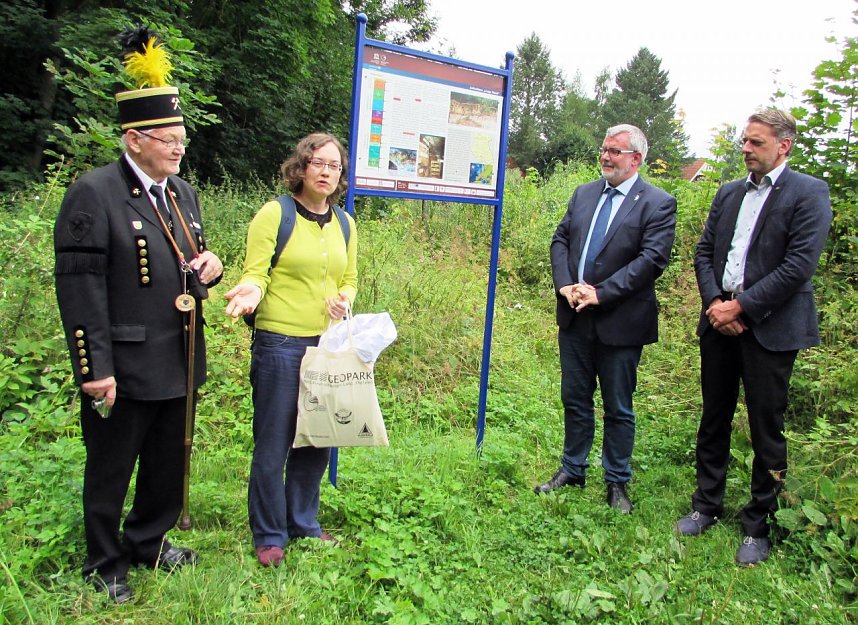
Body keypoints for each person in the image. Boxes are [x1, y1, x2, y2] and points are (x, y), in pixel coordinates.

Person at [53, 28, 223, 604]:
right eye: (167, 139)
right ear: (133, 138)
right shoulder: (94, 193)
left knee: (167, 463)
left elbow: (188, 260)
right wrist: (94, 368)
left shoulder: (182, 193)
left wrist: (210, 268)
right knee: (111, 467)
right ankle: (105, 563)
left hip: (177, 354)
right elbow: (80, 290)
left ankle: (149, 541)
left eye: (182, 139)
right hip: (123, 364)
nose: (178, 149)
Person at [675, 109, 832, 566]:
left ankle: (758, 523)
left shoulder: (808, 193)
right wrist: (715, 304)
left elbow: (798, 266)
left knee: (766, 425)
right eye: (745, 140)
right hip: (719, 321)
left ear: (784, 146)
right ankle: (706, 504)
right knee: (714, 416)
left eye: (756, 142)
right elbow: (705, 252)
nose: (746, 148)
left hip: (770, 327)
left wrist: (741, 306)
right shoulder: (729, 192)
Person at [224, 133, 357, 567]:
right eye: (318, 163)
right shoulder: (274, 214)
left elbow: (349, 278)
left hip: (326, 346)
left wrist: (344, 299)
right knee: (274, 441)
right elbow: (256, 272)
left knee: (317, 438)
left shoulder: (345, 223)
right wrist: (250, 290)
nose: (326, 172)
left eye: (334, 166)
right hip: (280, 344)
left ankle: (303, 523)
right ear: (301, 167)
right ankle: (269, 534)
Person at [536, 124, 677, 513]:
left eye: (615, 151)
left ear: (636, 159)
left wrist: (602, 293)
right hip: (575, 315)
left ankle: (616, 481)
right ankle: (573, 469)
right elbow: (560, 239)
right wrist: (565, 284)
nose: (605, 156)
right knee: (575, 398)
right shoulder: (584, 194)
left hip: (621, 321)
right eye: (604, 149)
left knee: (618, 405)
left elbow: (651, 260)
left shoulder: (658, 203)